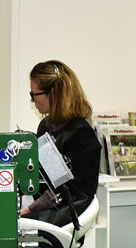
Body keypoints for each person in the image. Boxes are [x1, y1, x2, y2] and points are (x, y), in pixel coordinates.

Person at [21, 60, 100, 226]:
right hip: (51, 209)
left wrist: (29, 210)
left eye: (34, 94)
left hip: (67, 215)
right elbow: (48, 180)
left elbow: (72, 193)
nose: (32, 100)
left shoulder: (80, 134)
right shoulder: (46, 127)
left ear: (54, 94)